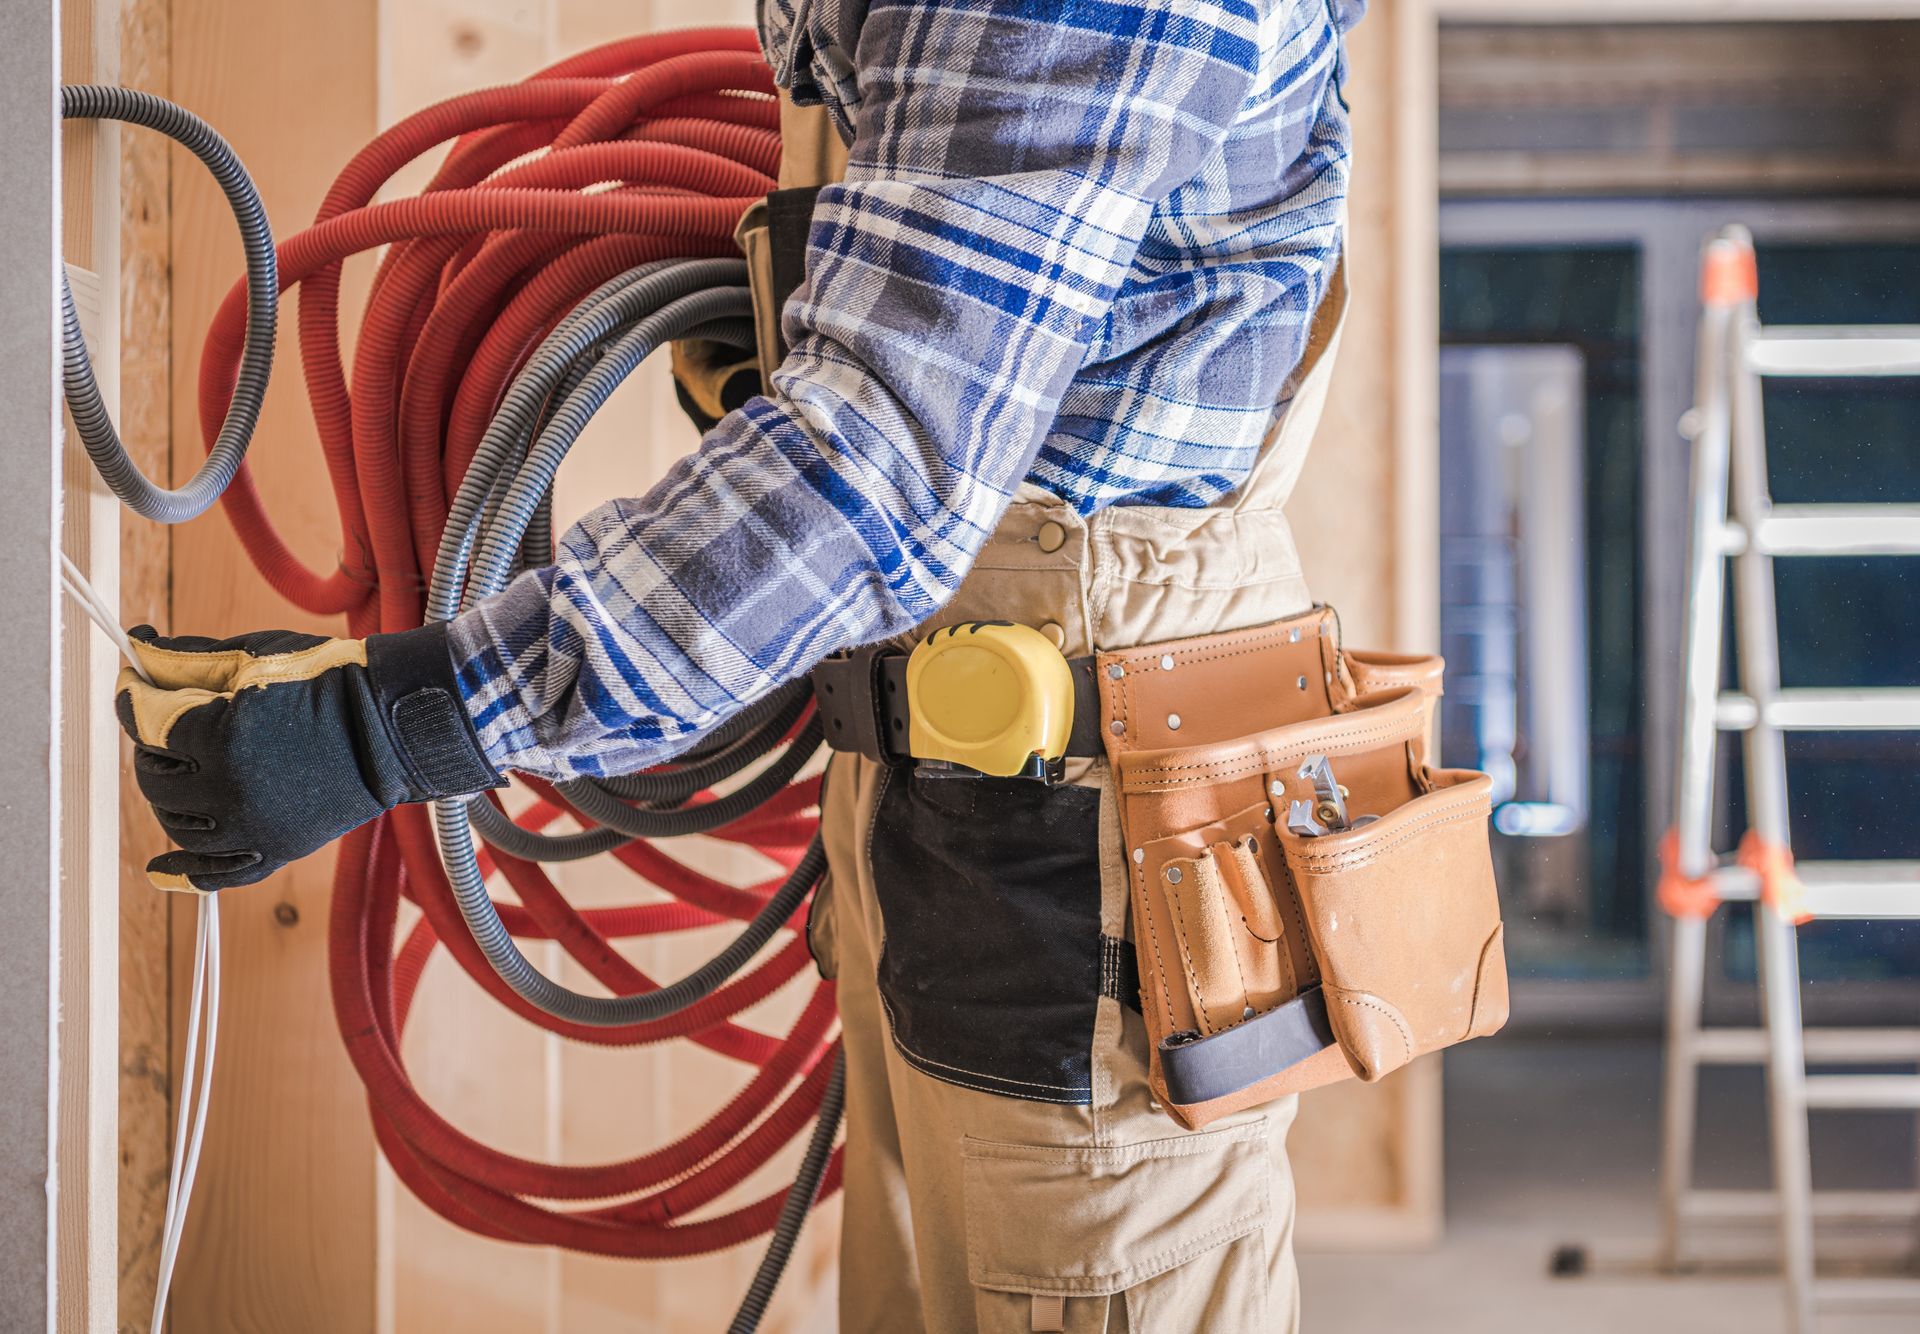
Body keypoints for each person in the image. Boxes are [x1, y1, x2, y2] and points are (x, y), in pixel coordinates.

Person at [116, 2, 1363, 1328]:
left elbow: (876, 468)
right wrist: (794, 332)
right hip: (977, 733)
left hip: (1078, 777)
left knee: (1085, 1284)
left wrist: (396, 727)